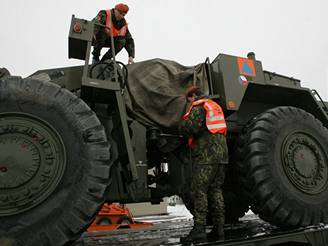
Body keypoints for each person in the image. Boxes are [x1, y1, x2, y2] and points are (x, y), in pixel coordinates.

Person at [179, 86, 228, 242]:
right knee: (215, 189)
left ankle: (199, 228)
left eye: (189, 99)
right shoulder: (214, 106)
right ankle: (219, 228)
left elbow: (192, 127)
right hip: (222, 154)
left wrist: (181, 126)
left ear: (194, 96)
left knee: (198, 189)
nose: (189, 103)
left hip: (208, 154)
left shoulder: (199, 106)